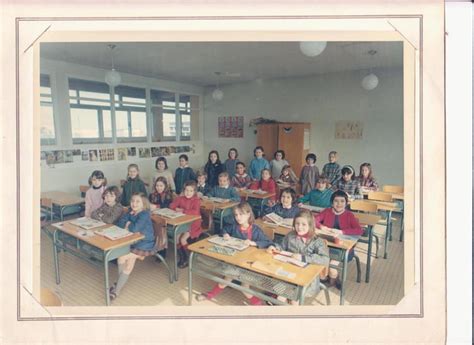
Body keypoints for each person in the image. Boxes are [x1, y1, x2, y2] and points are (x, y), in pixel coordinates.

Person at [196, 202, 273, 305]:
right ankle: (210, 295)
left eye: (241, 214)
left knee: (244, 287)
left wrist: (253, 243)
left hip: (248, 265)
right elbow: (223, 229)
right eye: (236, 215)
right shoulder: (234, 227)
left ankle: (258, 303)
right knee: (226, 279)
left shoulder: (256, 230)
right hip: (234, 261)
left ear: (248, 214)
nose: (238, 217)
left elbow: (268, 243)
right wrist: (225, 234)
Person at [267, 210, 329, 304]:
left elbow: (325, 259)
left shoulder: (317, 241)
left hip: (307, 279)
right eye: (297, 224)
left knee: (293, 300)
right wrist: (274, 247)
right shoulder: (290, 235)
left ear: (310, 225)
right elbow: (281, 247)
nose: (299, 227)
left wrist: (303, 258)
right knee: (281, 297)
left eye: (304, 224)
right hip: (288, 273)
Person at [109, 193, 155, 300]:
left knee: (121, 258)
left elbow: (134, 228)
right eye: (132, 201)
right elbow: (120, 224)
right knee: (127, 264)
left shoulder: (144, 214)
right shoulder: (130, 211)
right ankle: (120, 283)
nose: (134, 204)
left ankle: (116, 290)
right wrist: (127, 224)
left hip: (145, 243)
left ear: (144, 204)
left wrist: (128, 225)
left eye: (137, 201)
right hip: (133, 242)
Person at [315, 190, 363, 288]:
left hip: (343, 248)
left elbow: (359, 230)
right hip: (326, 246)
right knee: (320, 262)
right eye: (336, 201)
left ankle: (333, 280)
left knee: (332, 268)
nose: (339, 204)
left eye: (342, 201)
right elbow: (313, 219)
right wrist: (321, 227)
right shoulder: (327, 211)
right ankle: (328, 279)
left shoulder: (349, 215)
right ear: (332, 203)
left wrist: (342, 232)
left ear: (346, 203)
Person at [169, 181, 202, 268]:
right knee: (176, 238)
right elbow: (172, 206)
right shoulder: (180, 198)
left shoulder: (196, 200)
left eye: (191, 191)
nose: (188, 192)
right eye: (186, 190)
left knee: (183, 239)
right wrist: (175, 207)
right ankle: (182, 257)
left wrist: (183, 210)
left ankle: (188, 257)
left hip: (193, 224)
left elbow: (195, 212)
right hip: (182, 223)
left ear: (194, 192)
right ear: (183, 190)